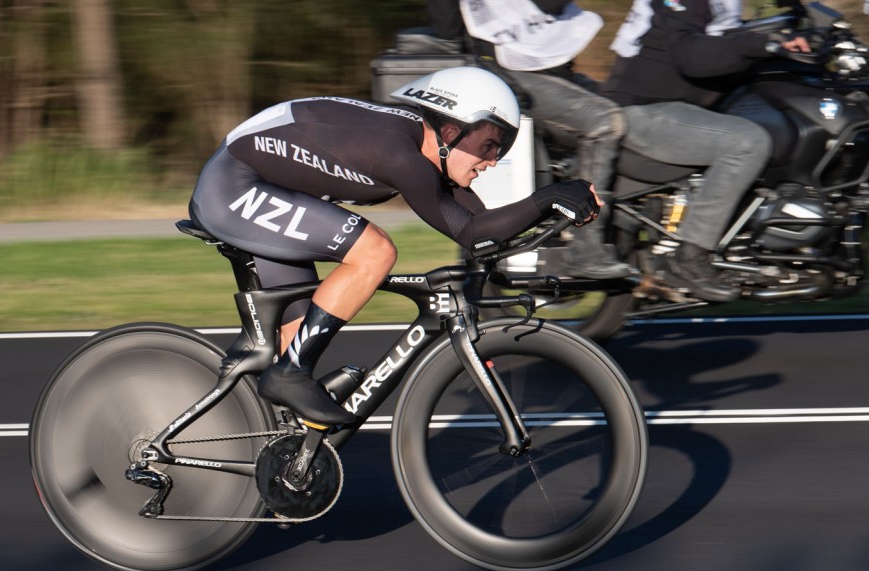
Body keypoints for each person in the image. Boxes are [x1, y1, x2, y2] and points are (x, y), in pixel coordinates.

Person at [189, 66, 603, 430]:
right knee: (374, 252)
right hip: (234, 187)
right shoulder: (398, 153)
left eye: (501, 149)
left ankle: (283, 457)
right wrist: (549, 196)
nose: (494, 160)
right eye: (489, 146)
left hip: (271, 188)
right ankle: (288, 374)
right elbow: (472, 234)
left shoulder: (425, 152)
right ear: (451, 130)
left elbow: (486, 234)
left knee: (297, 340)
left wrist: (557, 211)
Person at [602, 0, 809, 302]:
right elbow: (692, 55)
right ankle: (690, 257)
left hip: (674, 105)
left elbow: (723, 39)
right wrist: (765, 43)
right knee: (746, 142)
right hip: (642, 109)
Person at [426, 0, 633, 280]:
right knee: (605, 122)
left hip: (540, 67)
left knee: (626, 110)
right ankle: (585, 249)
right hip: (507, 73)